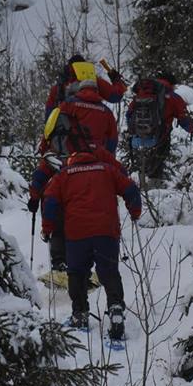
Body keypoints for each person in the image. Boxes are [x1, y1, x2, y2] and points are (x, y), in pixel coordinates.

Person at [41, 141, 141, 339]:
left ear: (72, 158)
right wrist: (135, 212)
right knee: (109, 271)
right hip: (107, 231)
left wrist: (48, 228)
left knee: (77, 273)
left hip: (77, 234)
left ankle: (79, 314)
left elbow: (50, 200)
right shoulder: (107, 169)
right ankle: (115, 309)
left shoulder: (64, 175)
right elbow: (130, 189)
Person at [28, 71, 123, 276]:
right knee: (97, 212)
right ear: (97, 91)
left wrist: (34, 196)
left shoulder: (66, 106)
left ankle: (60, 262)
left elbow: (49, 131)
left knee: (61, 211)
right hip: (96, 166)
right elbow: (113, 141)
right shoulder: (106, 112)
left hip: (64, 166)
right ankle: (101, 262)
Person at [125, 71, 193, 185]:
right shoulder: (173, 97)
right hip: (160, 136)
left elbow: (129, 114)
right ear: (171, 84)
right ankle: (154, 189)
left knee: (142, 164)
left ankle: (141, 186)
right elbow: (183, 118)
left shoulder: (142, 93)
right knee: (157, 163)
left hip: (138, 137)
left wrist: (133, 130)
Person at [45, 54, 127, 117]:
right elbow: (116, 96)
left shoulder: (58, 87)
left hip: (66, 135)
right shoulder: (94, 82)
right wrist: (116, 79)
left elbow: (49, 115)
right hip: (92, 132)